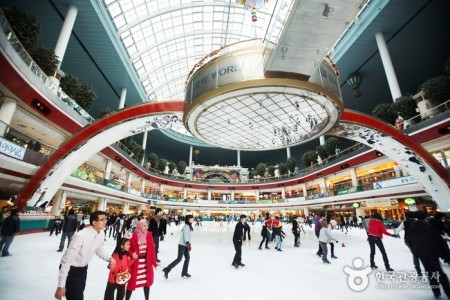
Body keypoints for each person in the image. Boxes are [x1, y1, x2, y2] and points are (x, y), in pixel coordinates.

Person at [55, 210, 115, 300]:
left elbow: (99, 249)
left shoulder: (101, 233)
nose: (105, 221)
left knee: (78, 294)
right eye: (102, 219)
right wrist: (61, 286)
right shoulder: (81, 235)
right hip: (71, 270)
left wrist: (109, 258)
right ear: (94, 222)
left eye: (105, 219)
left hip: (83, 269)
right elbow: (67, 260)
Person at [408, 210, 450, 299]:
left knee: (429, 272)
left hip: (421, 253)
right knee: (439, 272)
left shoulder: (412, 228)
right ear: (425, 217)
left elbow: (410, 240)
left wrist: (415, 251)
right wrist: (445, 254)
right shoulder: (430, 227)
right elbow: (440, 242)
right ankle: (448, 292)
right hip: (432, 252)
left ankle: (436, 292)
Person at [126, 220, 158, 300]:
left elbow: (152, 250)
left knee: (146, 282)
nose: (146, 227)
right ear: (139, 226)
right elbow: (127, 249)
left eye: (147, 226)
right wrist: (131, 254)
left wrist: (154, 263)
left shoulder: (149, 235)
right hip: (136, 263)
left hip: (146, 263)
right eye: (144, 226)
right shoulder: (133, 236)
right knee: (131, 283)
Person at [163, 215, 194, 279]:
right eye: (192, 218)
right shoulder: (186, 226)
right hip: (182, 245)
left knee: (187, 258)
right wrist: (188, 243)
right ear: (188, 219)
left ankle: (184, 272)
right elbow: (186, 236)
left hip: (185, 245)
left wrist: (188, 244)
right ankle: (167, 269)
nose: (193, 219)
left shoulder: (189, 226)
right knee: (179, 259)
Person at [394, 211, 423, 276]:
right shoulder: (416, 222)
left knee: (415, 254)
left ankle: (418, 271)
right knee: (421, 254)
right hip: (417, 239)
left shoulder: (405, 222)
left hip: (408, 239)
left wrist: (395, 234)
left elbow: (398, 230)